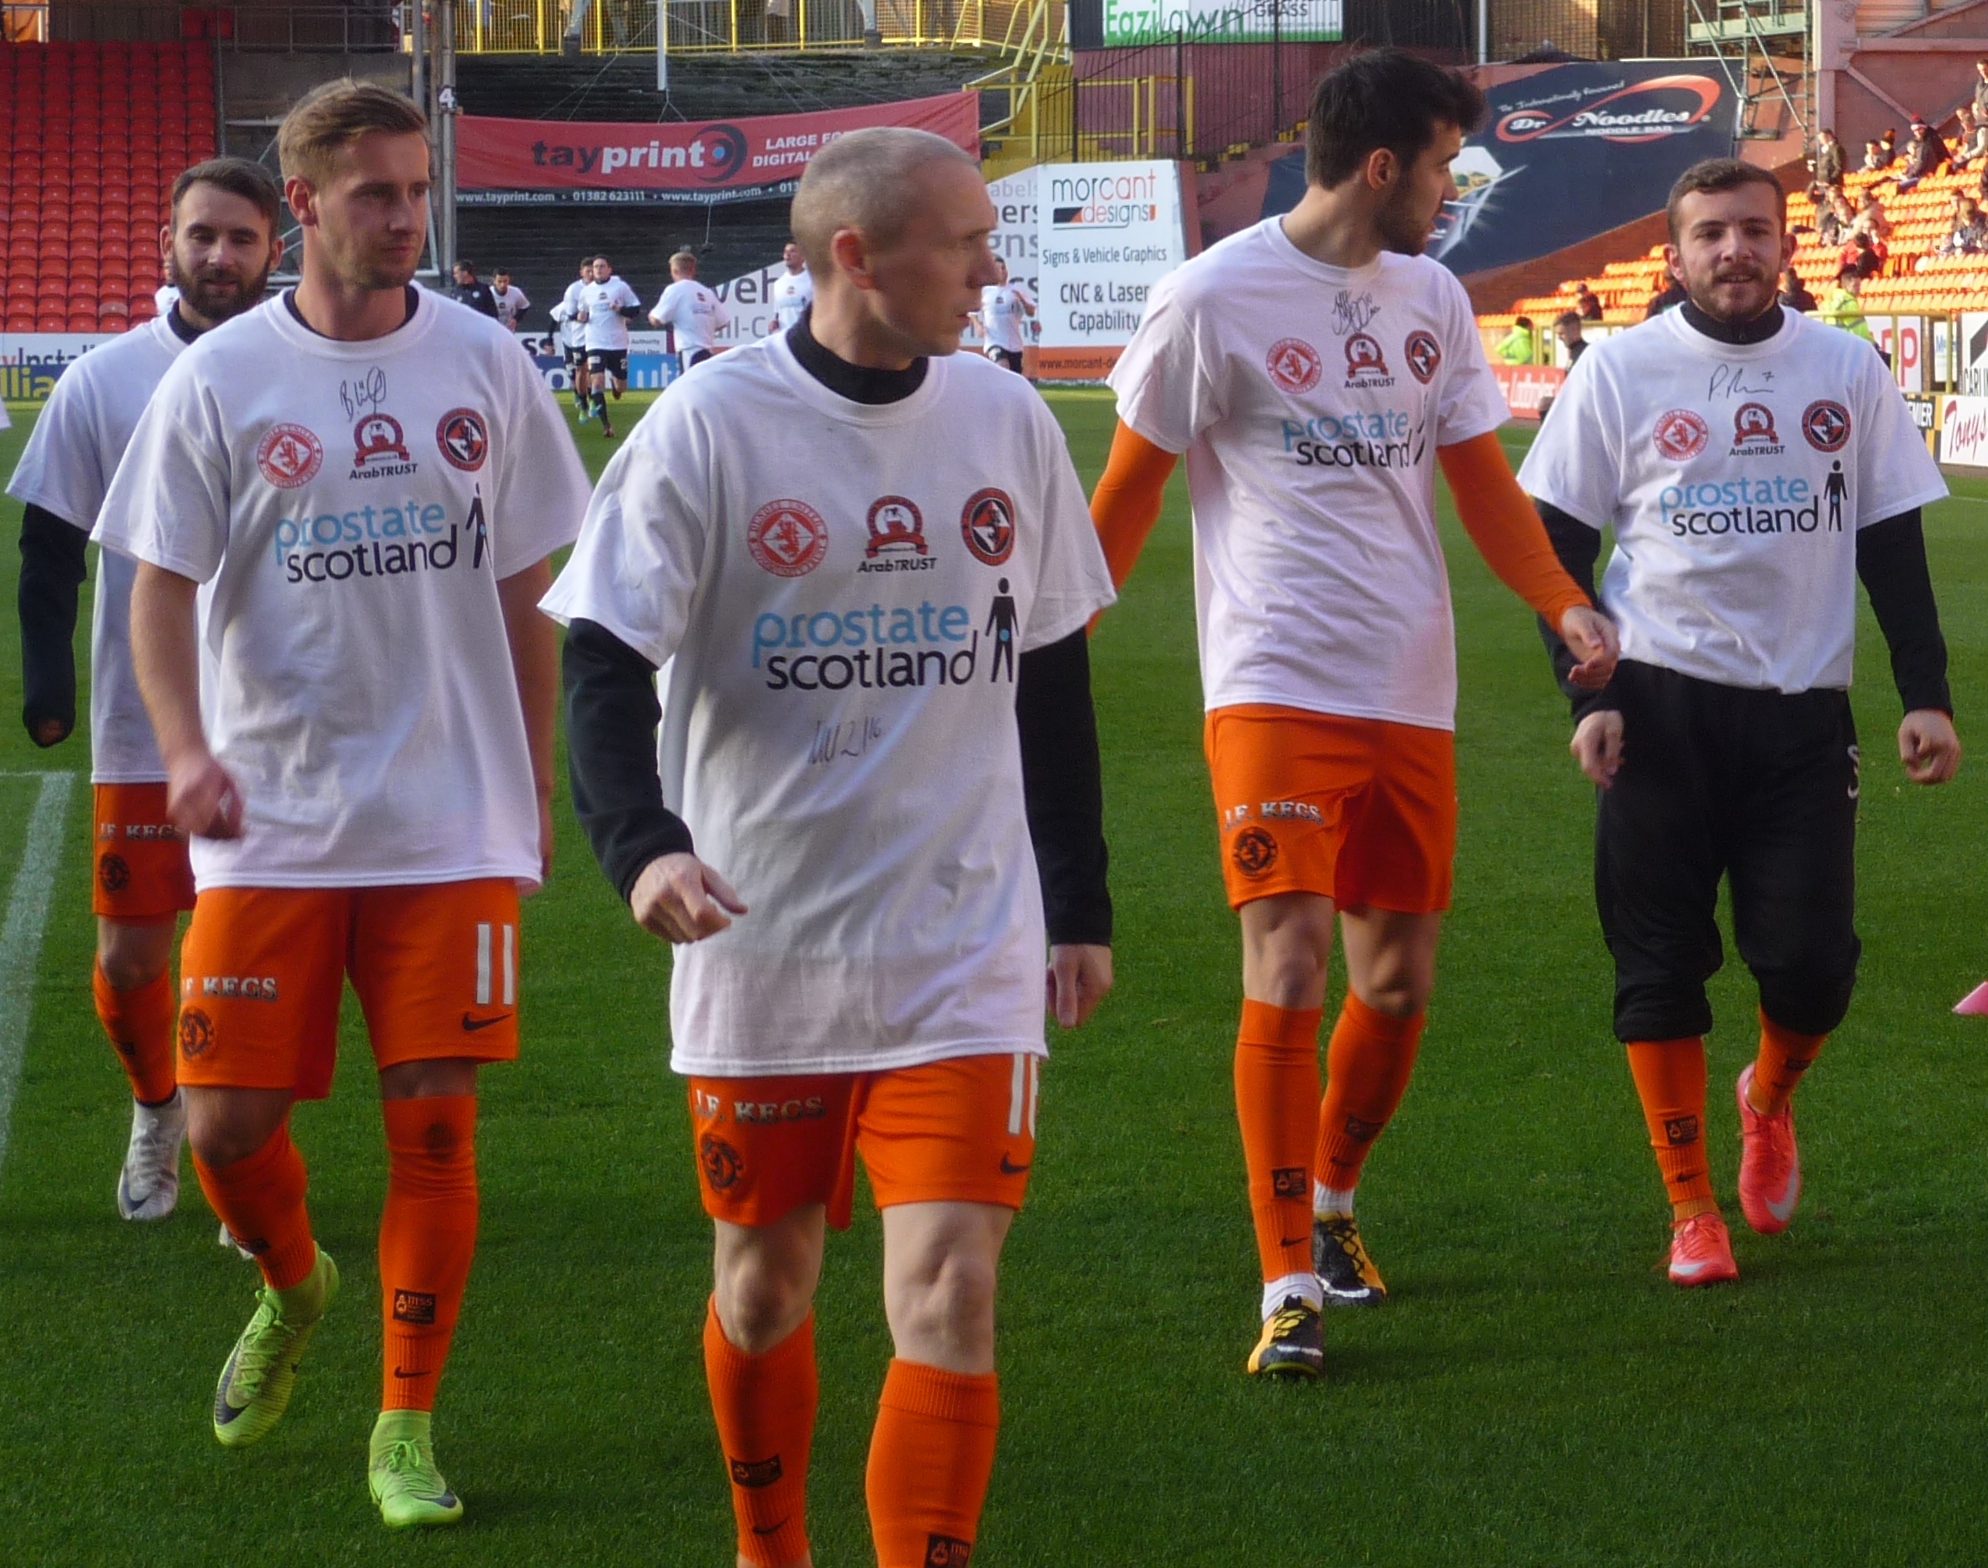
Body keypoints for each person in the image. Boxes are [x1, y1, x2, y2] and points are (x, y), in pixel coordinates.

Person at [544, 125, 1116, 1568]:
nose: (995, 269)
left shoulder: (1007, 422)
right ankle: (770, 1546)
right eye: (968, 242)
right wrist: (644, 849)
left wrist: (1078, 901)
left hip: (962, 940)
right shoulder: (709, 426)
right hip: (766, 940)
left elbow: (1049, 670)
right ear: (854, 254)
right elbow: (602, 662)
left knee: (952, 1293)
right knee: (764, 1288)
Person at [98, 79, 590, 1528]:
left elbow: (531, 592)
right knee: (224, 1127)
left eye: (419, 190)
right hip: (277, 821)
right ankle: (296, 1285)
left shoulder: (489, 364)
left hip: (449, 822)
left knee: (436, 1128)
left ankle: (405, 1424)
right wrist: (185, 752)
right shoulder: (219, 380)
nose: (406, 218)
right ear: (303, 205)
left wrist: (535, 780)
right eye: (376, 194)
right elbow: (158, 593)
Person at [1089, 49, 1617, 1376]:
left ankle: (1331, 1213)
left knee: (1395, 980)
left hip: (1410, 689)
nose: (1453, 188)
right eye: (1444, 164)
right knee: (1290, 965)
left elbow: (1483, 484)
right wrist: (1053, 633)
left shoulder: (1433, 295)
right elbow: (1130, 491)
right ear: (1383, 166)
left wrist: (1562, 603)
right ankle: (1284, 1288)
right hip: (1273, 683)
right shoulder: (1210, 299)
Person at [1520, 158, 1957, 1289]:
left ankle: (1765, 1095)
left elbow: (1891, 548)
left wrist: (1925, 693)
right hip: (1657, 713)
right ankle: (1688, 1207)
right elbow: (1552, 556)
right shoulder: (1618, 370)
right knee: (1656, 969)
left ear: (1784, 243)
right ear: (1673, 253)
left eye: (1753, 230)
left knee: (1810, 969)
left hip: (1800, 721)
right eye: (1709, 233)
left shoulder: (1842, 367)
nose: (1733, 251)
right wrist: (1592, 695)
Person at [8, 158, 284, 1223]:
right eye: (201, 235)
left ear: (273, 249)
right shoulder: (103, 379)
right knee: (131, 961)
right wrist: (47, 686)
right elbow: (47, 546)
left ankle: (236, 1156)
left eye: (241, 239)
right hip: (141, 719)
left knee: (246, 961)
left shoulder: (297, 368)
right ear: (166, 244)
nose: (220, 256)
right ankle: (155, 1107)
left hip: (275, 721)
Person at [577, 253, 641, 438]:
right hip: (595, 341)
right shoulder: (586, 292)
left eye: (602, 266)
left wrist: (620, 309)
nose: (598, 269)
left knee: (622, 387)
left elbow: (635, 309)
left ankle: (616, 386)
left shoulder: (620, 287)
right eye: (596, 267)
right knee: (596, 381)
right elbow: (582, 314)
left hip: (617, 342)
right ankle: (607, 426)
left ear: (609, 269)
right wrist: (582, 317)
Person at [646, 248, 730, 372]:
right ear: (693, 270)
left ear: (674, 270)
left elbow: (657, 319)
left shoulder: (675, 289)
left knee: (688, 387)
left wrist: (651, 316)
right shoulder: (706, 291)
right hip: (707, 350)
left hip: (689, 349)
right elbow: (724, 322)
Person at [973, 254, 1036, 374]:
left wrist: (1022, 301)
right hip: (994, 341)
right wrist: (978, 325)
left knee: (1014, 378)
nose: (1002, 271)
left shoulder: (1016, 290)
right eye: (998, 269)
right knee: (1003, 369)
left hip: (1014, 344)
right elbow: (972, 311)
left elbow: (1031, 312)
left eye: (1004, 268)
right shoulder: (985, 291)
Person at [550, 257, 593, 419]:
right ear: (581, 272)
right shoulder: (573, 291)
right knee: (576, 371)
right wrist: (549, 340)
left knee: (592, 369)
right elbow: (558, 316)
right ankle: (581, 398)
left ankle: (592, 398)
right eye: (587, 270)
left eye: (592, 270)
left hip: (594, 338)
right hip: (573, 339)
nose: (590, 273)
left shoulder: (602, 289)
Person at [766, 239, 814, 334]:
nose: (787, 255)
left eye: (792, 251)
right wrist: (774, 324)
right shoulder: (778, 284)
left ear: (803, 256)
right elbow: (778, 314)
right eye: (785, 252)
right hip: (785, 340)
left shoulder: (813, 281)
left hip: (806, 339)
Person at [1820, 264, 1875, 342]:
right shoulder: (1849, 302)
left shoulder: (1831, 300)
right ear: (1844, 285)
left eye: (1859, 286)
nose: (1859, 290)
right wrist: (1873, 345)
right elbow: (1860, 332)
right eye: (1856, 286)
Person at [1895, 116, 1948, 190]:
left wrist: (1908, 176)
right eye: (1915, 131)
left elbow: (1921, 165)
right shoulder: (1921, 143)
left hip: (1925, 176)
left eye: (1919, 129)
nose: (1917, 133)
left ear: (1924, 128)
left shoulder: (1928, 143)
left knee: (1898, 187)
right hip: (1920, 174)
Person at [489, 266, 530, 333]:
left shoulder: (515, 292)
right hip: (492, 330)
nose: (502, 285)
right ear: (494, 281)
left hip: (509, 330)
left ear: (509, 280)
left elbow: (525, 306)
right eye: (499, 281)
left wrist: (516, 319)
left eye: (505, 281)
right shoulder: (488, 293)